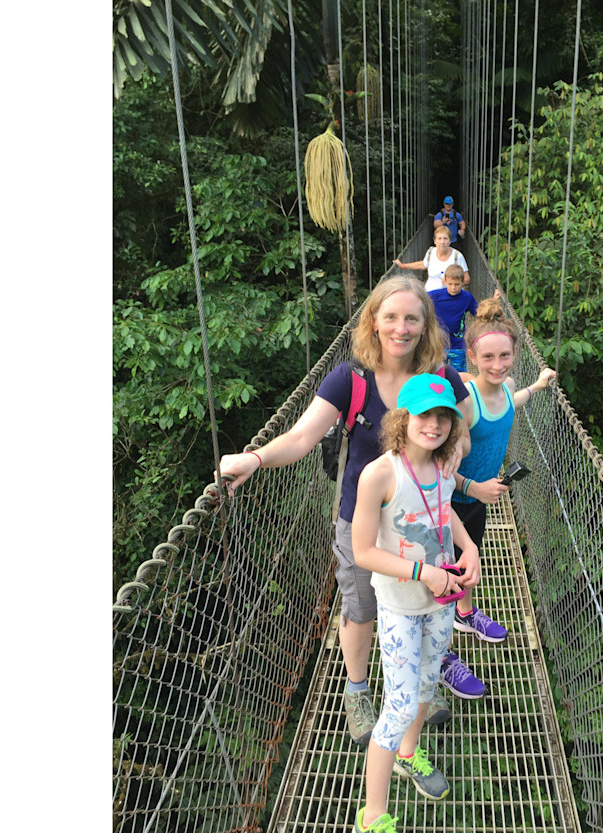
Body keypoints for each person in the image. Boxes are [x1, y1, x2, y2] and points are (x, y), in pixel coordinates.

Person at [214, 276, 490, 746]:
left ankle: (421, 685)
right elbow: (303, 437)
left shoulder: (441, 375)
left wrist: (456, 448)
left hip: (424, 514)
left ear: (426, 326)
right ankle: (359, 690)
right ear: (374, 322)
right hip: (363, 517)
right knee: (361, 607)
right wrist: (256, 458)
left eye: (412, 319)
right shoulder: (350, 379)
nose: (401, 328)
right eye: (391, 317)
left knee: (426, 597)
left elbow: (463, 425)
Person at [350, 373, 477, 833]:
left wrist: (470, 549)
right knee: (400, 705)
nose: (435, 424)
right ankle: (374, 816)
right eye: (425, 414)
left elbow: (446, 511)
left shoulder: (444, 465)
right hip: (402, 605)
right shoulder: (380, 474)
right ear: (402, 419)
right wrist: (426, 572)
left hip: (440, 602)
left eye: (444, 416)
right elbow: (363, 551)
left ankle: (409, 754)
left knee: (425, 689)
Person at [444, 294, 558, 650]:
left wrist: (538, 386)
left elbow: (513, 398)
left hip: (480, 499)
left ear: (514, 357)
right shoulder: (466, 403)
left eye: (505, 356)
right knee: (446, 568)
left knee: (471, 554)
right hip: (449, 501)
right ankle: (441, 640)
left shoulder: (507, 388)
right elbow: (441, 465)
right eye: (488, 357)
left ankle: (465, 613)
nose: (497, 365)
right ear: (472, 358)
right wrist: (472, 486)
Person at [427, 265, 476, 373]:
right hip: (438, 343)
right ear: (444, 281)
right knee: (436, 372)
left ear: (463, 282)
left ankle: (458, 390)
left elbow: (479, 313)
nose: (453, 287)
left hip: (458, 344)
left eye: (457, 284)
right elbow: (418, 299)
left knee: (459, 374)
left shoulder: (467, 297)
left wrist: (493, 301)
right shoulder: (435, 295)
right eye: (450, 284)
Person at [394, 226, 468, 293]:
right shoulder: (430, 252)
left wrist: (451, 282)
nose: (442, 242)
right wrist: (403, 265)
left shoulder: (457, 256)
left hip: (450, 296)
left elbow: (467, 279)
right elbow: (423, 264)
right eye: (439, 238)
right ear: (435, 241)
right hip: (430, 294)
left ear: (450, 241)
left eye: (445, 238)